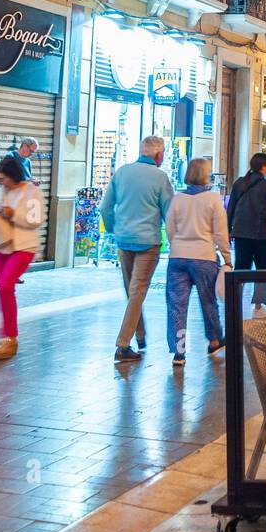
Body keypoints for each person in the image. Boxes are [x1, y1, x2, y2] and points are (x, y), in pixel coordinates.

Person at [100, 135, 174, 363]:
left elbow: (105, 207)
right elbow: (169, 214)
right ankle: (123, 345)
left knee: (132, 293)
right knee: (138, 292)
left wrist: (114, 229)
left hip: (123, 240)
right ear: (159, 155)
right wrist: (174, 243)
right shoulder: (161, 178)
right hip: (147, 243)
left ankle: (140, 336)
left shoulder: (121, 172)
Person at [0, 155, 44, 362]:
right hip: (0, 245)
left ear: (14, 175)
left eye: (4, 178)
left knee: (6, 286)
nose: (2, 183)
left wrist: (12, 214)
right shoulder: (0, 191)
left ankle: (11, 337)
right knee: (3, 290)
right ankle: (6, 337)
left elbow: (35, 221)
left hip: (23, 247)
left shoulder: (32, 192)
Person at [164, 157, 231, 368]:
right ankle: (214, 341)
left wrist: (178, 245)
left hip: (177, 258)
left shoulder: (177, 198)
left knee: (177, 306)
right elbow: (221, 233)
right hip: (204, 258)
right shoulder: (213, 199)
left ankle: (179, 352)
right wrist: (228, 258)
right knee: (208, 302)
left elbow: (170, 229)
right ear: (205, 175)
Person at [227, 153, 266, 319]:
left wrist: (228, 229)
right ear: (263, 166)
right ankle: (258, 307)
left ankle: (235, 303)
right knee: (262, 270)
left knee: (241, 269)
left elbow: (231, 209)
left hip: (241, 233)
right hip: (263, 234)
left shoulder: (239, 183)